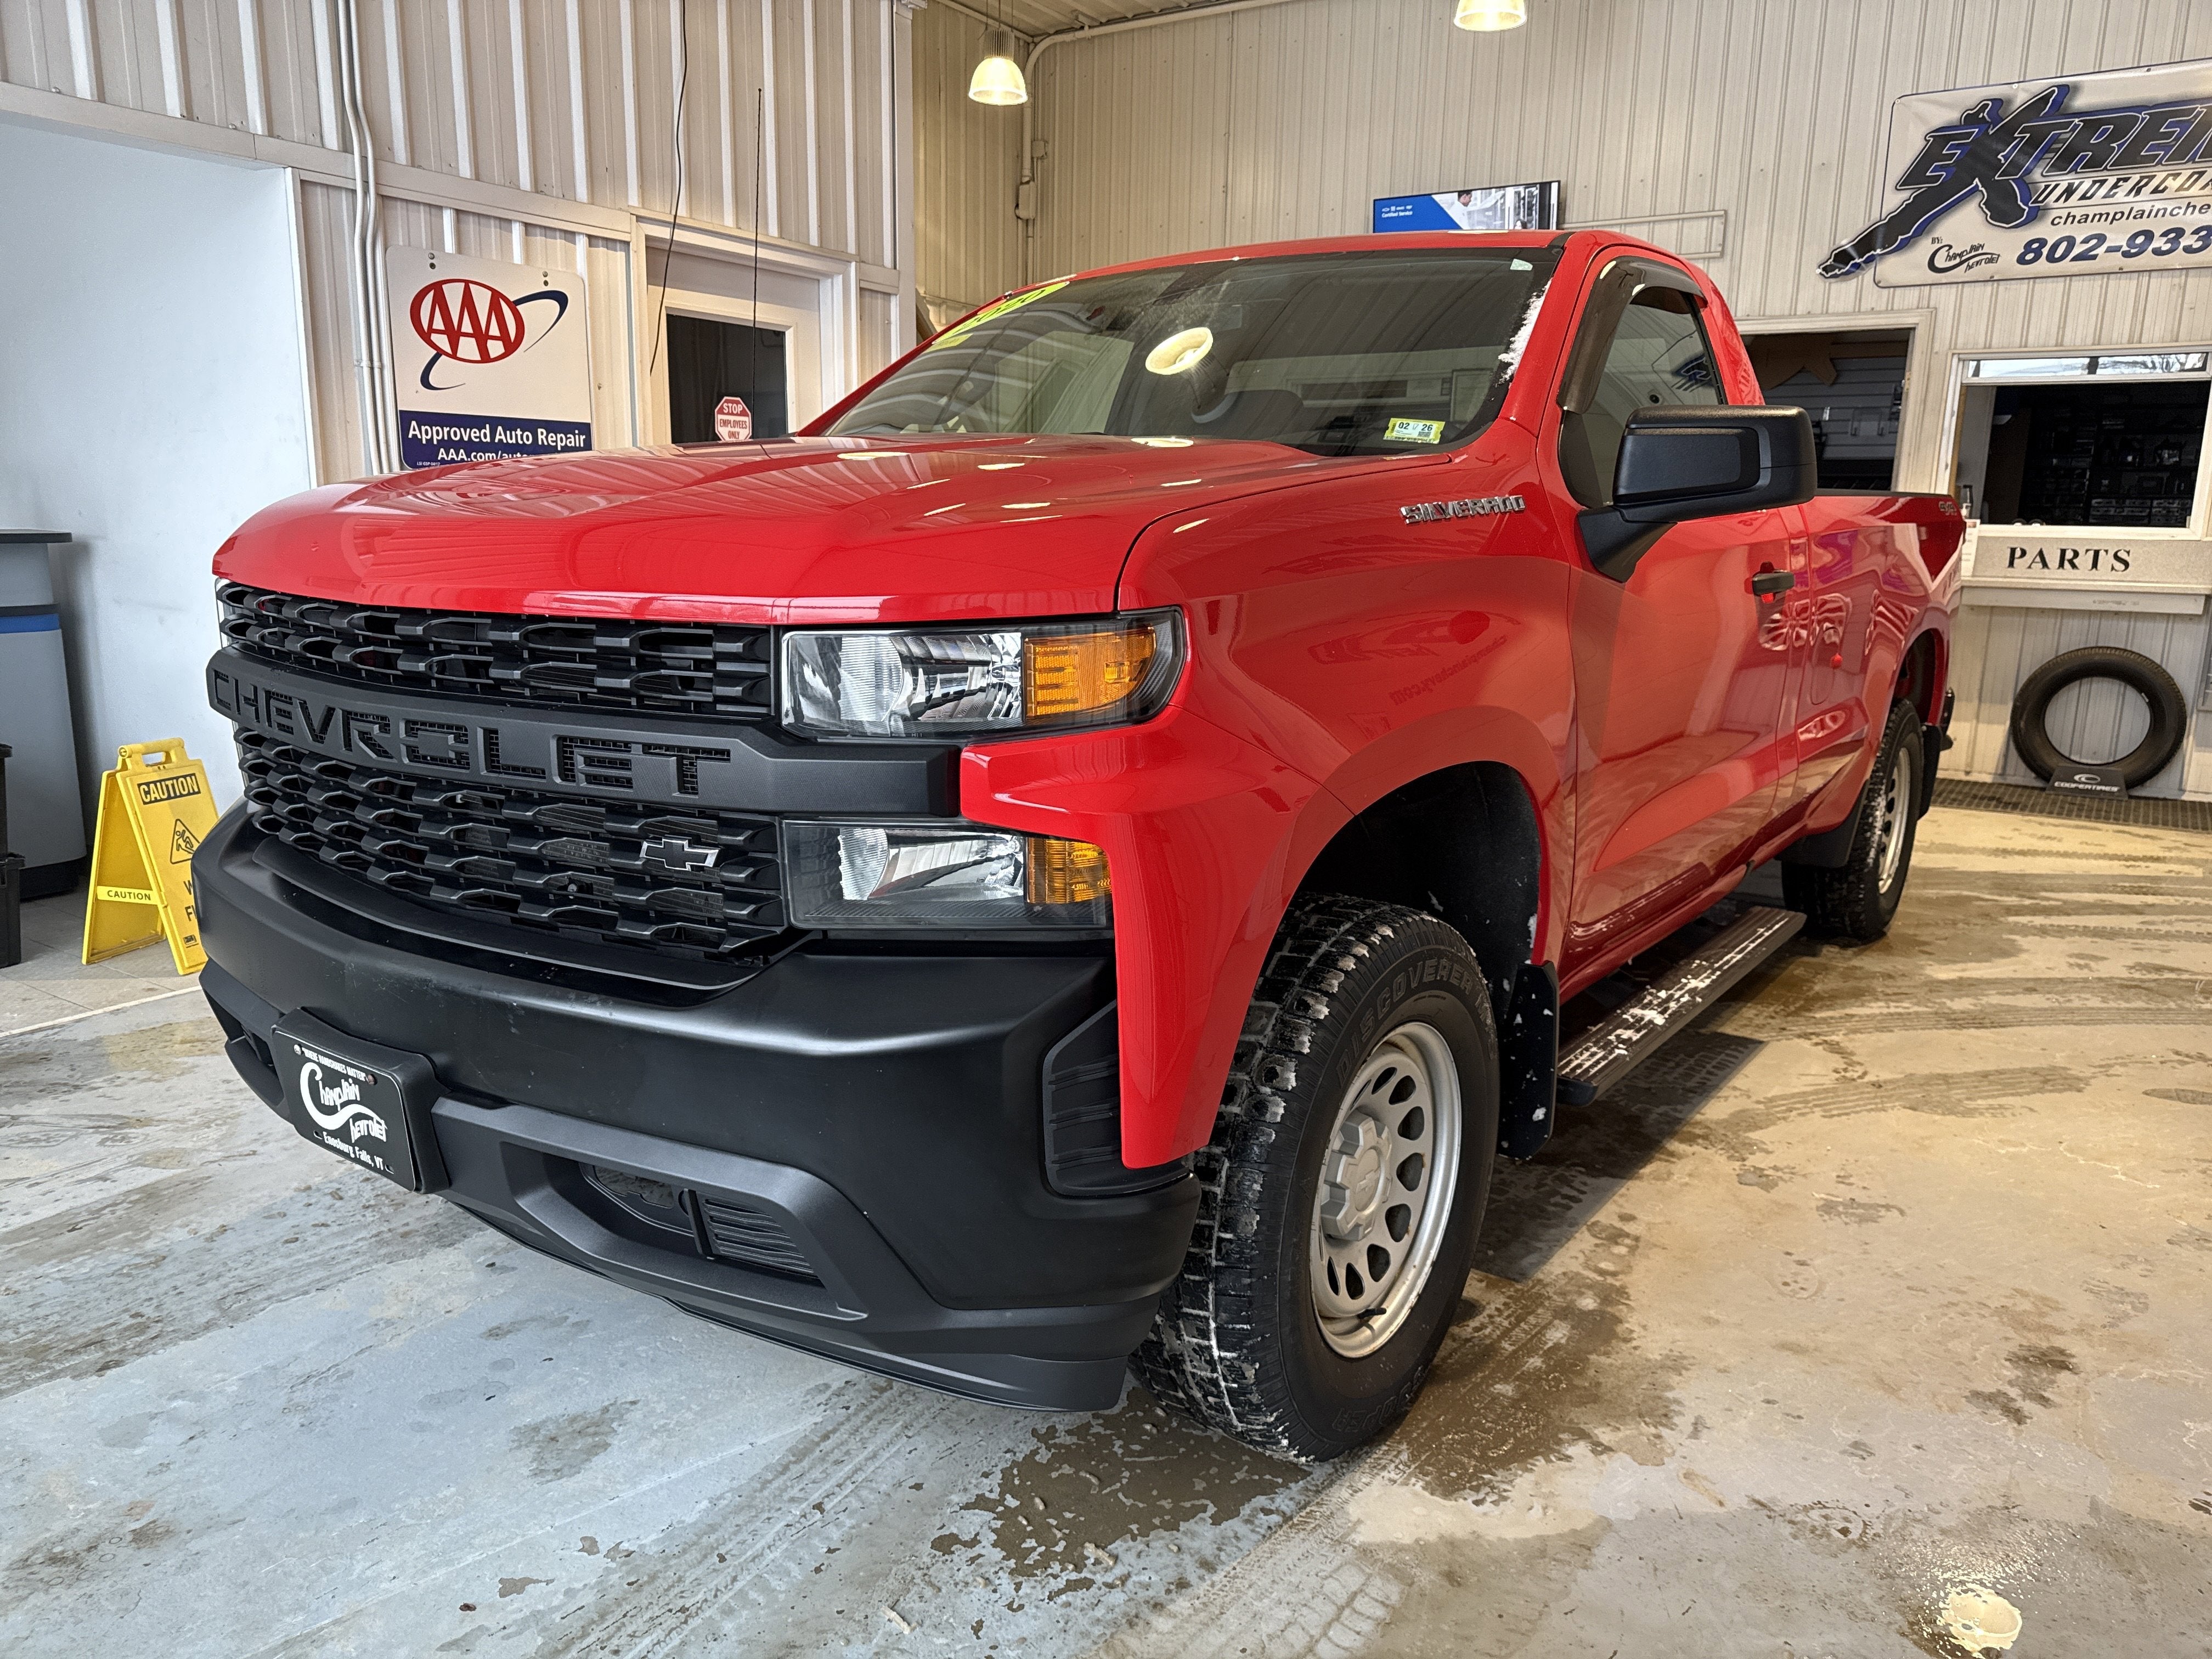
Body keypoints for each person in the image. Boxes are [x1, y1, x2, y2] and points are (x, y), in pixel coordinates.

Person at [1822, 84, 2070, 278]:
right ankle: (1981, 127)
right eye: (1990, 208)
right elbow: (1902, 223)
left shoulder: (1991, 180)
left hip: (1975, 165)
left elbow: (1902, 222)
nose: (1985, 207)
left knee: (1910, 216)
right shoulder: (1995, 181)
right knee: (1910, 216)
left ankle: (1981, 127)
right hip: (1979, 164)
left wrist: (1847, 258)